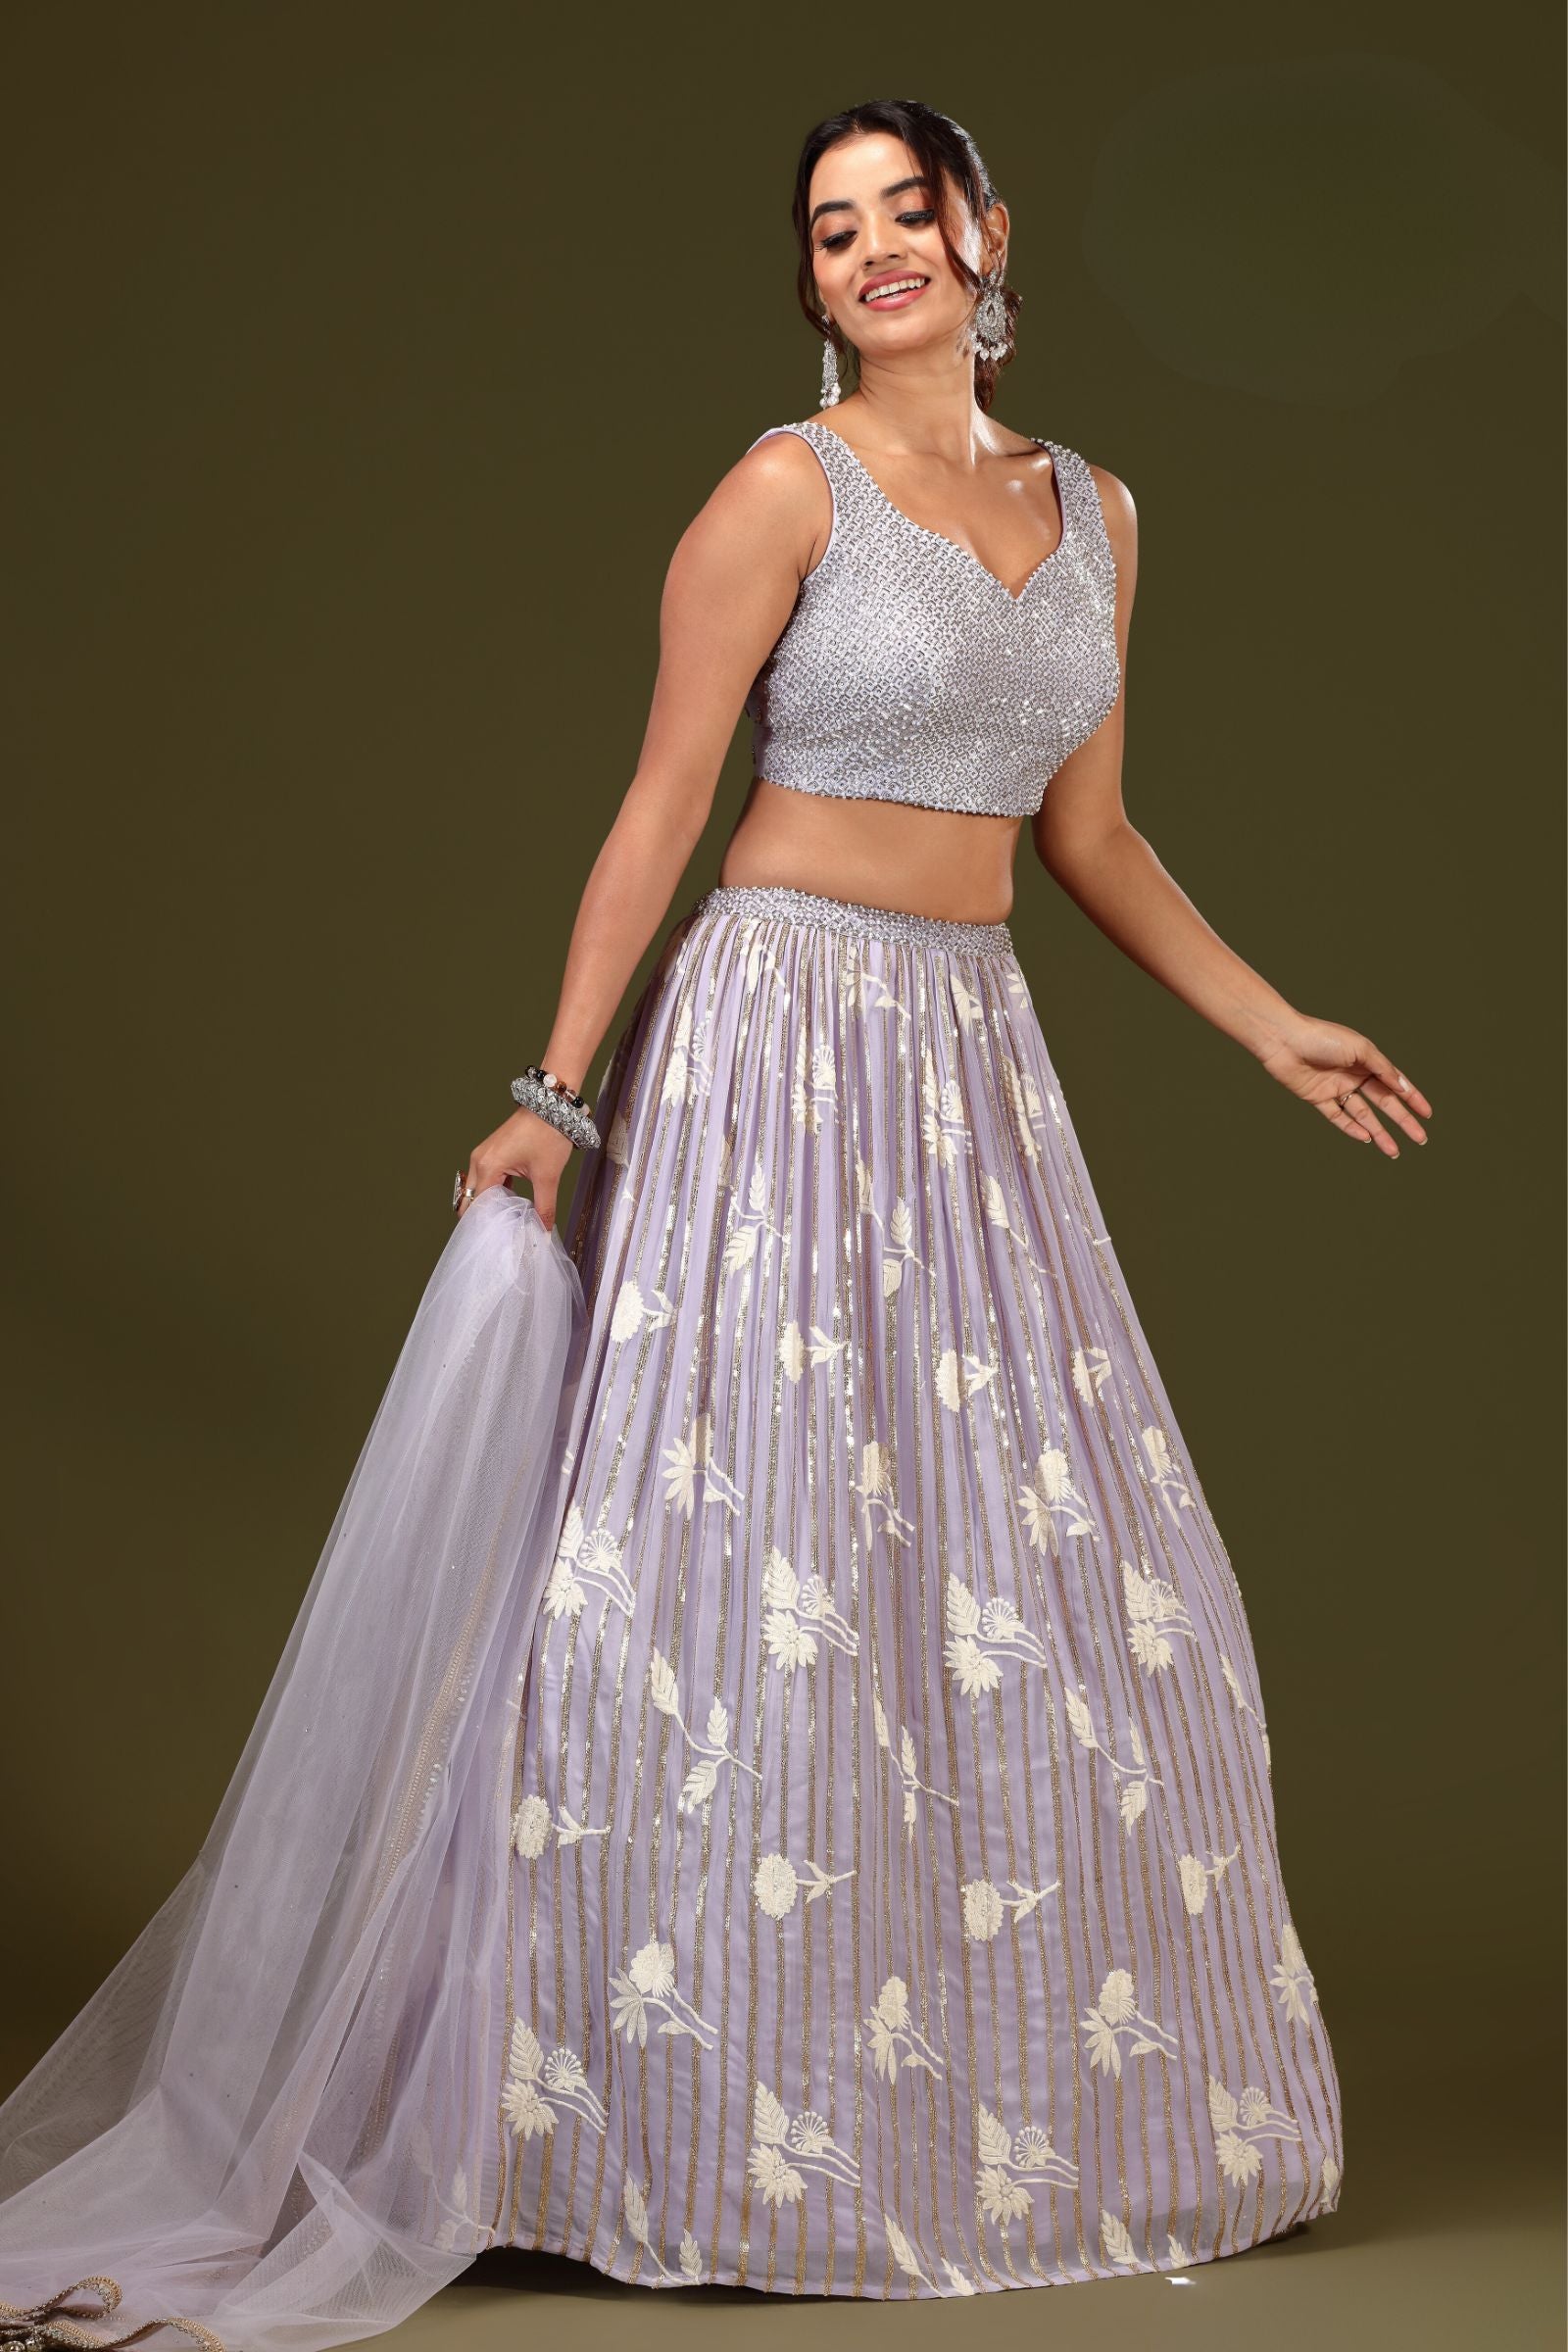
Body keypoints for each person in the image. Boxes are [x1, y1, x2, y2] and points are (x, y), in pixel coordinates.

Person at [0, 97, 1431, 2349]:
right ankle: (640, 2120)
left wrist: (1268, 1025)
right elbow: (662, 803)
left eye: (903, 212)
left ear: (984, 232)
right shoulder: (781, 491)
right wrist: (551, 1098)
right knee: (732, 1567)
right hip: (769, 1045)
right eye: (829, 230)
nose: (871, 252)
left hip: (966, 1069)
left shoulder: (1099, 515)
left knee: (1022, 1577)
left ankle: (963, 2119)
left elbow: (1089, 835)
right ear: (811, 278)